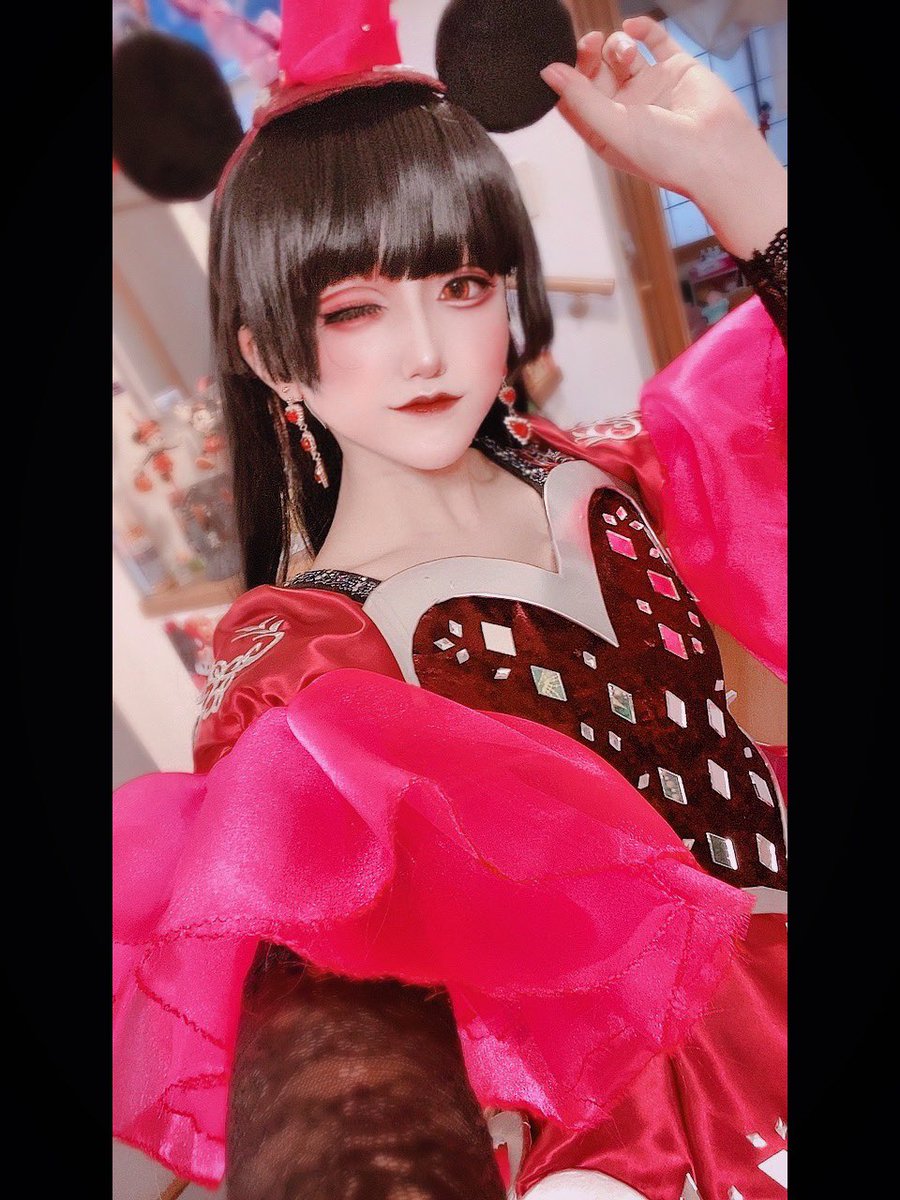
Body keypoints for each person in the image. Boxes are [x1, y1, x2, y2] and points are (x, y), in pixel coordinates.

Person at [113, 12, 787, 1200]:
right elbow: (321, 999)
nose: (425, 350)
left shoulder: (607, 472)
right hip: (644, 1132)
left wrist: (743, 187)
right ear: (269, 354)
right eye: (354, 309)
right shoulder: (303, 655)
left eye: (461, 284)